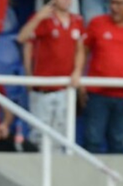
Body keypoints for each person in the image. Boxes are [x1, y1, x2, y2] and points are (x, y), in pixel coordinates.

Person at [73, 0, 123, 153]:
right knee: (92, 140)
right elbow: (83, 50)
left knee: (117, 142)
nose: (115, 8)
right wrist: (80, 77)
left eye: (120, 4)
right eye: (113, 3)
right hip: (97, 94)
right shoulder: (97, 23)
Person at [17, 0, 84, 147]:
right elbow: (22, 38)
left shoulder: (77, 20)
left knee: (62, 135)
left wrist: (78, 70)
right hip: (43, 88)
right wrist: (38, 18)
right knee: (39, 136)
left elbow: (80, 49)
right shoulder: (42, 18)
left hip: (66, 88)